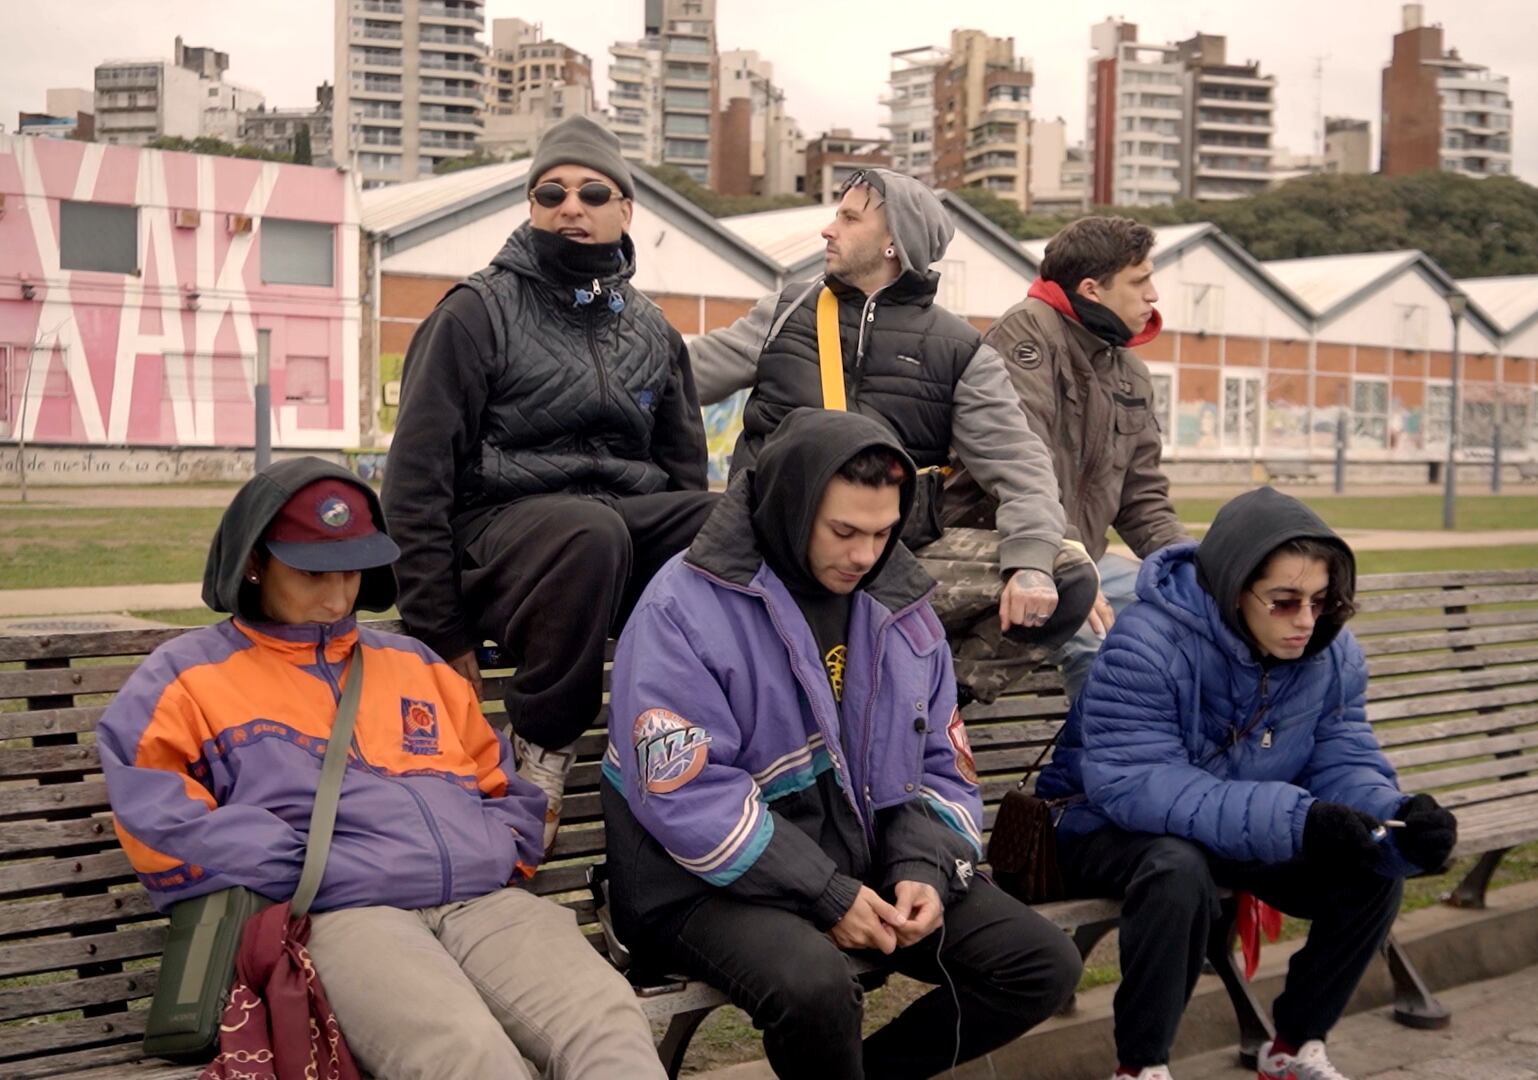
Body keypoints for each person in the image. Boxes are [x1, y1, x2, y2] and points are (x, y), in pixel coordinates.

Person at [97, 458, 665, 1080]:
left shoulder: (413, 663)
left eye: (351, 569)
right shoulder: (187, 675)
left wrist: (497, 847)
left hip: (482, 904)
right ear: (254, 562)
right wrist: (305, 867)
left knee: (611, 1026)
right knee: (467, 1057)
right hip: (344, 918)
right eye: (313, 571)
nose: (338, 594)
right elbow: (156, 817)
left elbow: (502, 781)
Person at [601, 409, 1083, 1080]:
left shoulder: (903, 603)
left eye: (883, 533)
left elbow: (942, 766)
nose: (864, 554)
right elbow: (685, 797)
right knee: (818, 988)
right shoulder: (680, 609)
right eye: (844, 531)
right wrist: (825, 895)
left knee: (1040, 965)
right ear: (792, 509)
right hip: (691, 880)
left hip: (854, 855)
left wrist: (923, 865)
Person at [1036, 487, 1459, 1080]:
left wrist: (1396, 817)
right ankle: (1141, 1066)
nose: (1307, 621)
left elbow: (1343, 759)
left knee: (1374, 862)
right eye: (1285, 601)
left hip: (1234, 824)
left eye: (1321, 600)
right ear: (1235, 588)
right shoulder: (1148, 641)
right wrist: (1298, 821)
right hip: (1103, 823)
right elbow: (1136, 782)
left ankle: (1292, 1046)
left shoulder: (1331, 655)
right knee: (1176, 871)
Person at [382, 115, 715, 851]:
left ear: (626, 211)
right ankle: (544, 748)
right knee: (587, 531)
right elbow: (415, 480)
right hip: (503, 539)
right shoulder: (475, 313)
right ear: (531, 208)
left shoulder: (654, 331)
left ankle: (707, 741)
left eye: (594, 191)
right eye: (550, 192)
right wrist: (440, 629)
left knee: (724, 521)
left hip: (609, 538)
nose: (572, 205)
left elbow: (684, 471)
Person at [688, 168, 1097, 704]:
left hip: (891, 555)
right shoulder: (785, 312)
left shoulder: (961, 351)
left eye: (849, 218)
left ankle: (921, 703)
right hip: (771, 546)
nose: (828, 231)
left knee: (1067, 576)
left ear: (892, 243)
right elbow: (678, 374)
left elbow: (1021, 467)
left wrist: (1031, 564)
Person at [946, 215, 1190, 703]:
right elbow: (1018, 469)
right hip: (1009, 549)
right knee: (1098, 643)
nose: (1154, 295)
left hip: (1084, 559)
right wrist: (1070, 563)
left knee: (1188, 617)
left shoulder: (1129, 371)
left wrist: (1188, 567)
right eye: (1140, 281)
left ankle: (1158, 769)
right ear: (1092, 290)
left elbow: (1143, 498)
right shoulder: (1026, 336)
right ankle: (1094, 776)